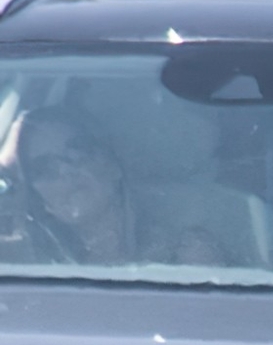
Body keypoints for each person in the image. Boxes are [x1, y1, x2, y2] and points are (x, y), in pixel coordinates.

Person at [0, 108, 228, 268]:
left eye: (79, 150)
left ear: (112, 165)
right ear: (38, 200)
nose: (67, 170)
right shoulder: (24, 268)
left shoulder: (186, 253)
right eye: (45, 168)